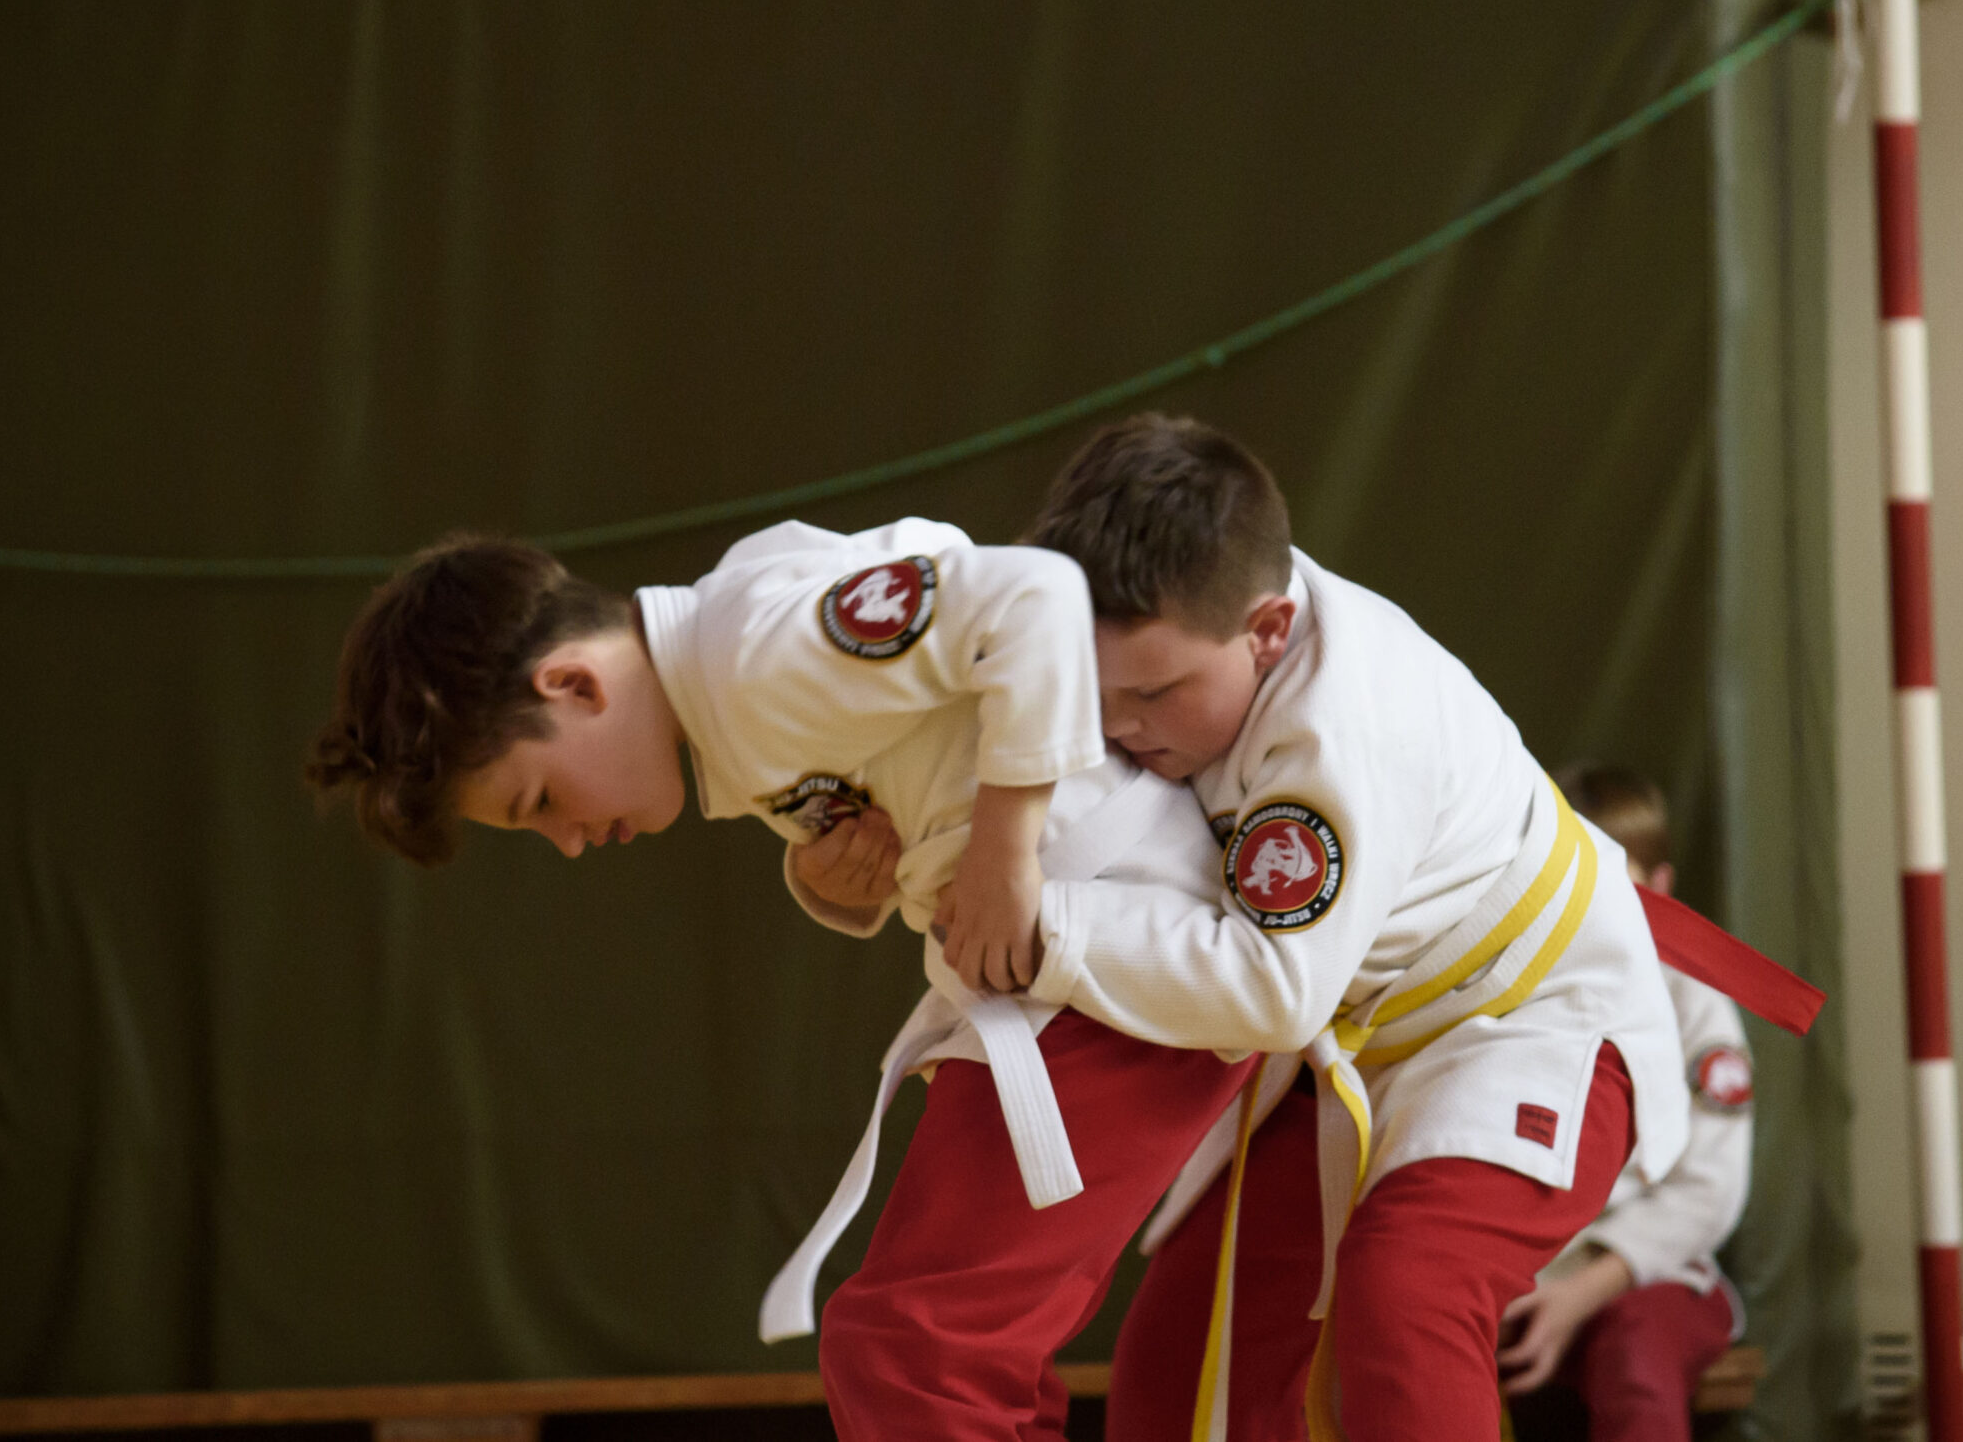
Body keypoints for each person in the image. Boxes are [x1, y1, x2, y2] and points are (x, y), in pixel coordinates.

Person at [301, 520, 1256, 1442]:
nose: (569, 839)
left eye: (541, 799)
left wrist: (1003, 854)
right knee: (952, 1353)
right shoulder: (733, 667)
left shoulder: (756, 652)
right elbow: (930, 732)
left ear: (574, 683)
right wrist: (841, 875)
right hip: (1086, 966)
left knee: (911, 1351)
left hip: (1121, 949)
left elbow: (1034, 597)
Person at [1015, 413, 1692, 1442]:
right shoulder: (1156, 647)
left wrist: (1040, 926)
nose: (1119, 726)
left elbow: (1272, 995)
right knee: (1183, 1350)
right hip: (1356, 1041)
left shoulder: (1341, 725)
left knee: (1409, 1295)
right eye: (1096, 690)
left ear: (1267, 630)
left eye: (1153, 692)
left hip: (1530, 1019)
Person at [1495, 764, 1752, 1441]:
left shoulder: (1695, 1003)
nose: (1588, 904)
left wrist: (1579, 1295)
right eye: (1567, 878)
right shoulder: (1504, 991)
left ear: (1659, 888)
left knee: (1636, 1357)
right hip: (1516, 1275)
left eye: (1612, 881)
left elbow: (1709, 1189)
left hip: (1642, 1275)